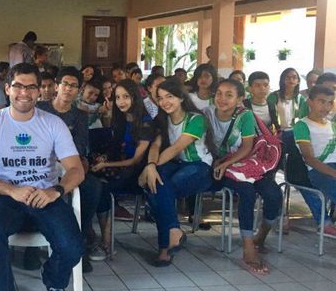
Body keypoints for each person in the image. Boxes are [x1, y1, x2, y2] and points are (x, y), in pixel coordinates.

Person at [0, 63, 85, 291]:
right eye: (18, 86)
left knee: (73, 246)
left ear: (39, 91)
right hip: (8, 198)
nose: (25, 92)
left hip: (47, 196)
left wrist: (56, 191)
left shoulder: (53, 123)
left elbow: (76, 169)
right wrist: (11, 190)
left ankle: (53, 280)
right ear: (7, 89)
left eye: (31, 86)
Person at [205, 79, 282, 274]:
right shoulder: (207, 114)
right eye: (219, 93)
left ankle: (261, 235)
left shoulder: (245, 115)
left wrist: (228, 162)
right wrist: (222, 164)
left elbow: (247, 147)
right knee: (247, 193)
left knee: (274, 195)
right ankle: (248, 246)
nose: (222, 99)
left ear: (240, 99)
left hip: (248, 163)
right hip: (220, 168)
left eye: (229, 95)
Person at [142, 78, 214, 266]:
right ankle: (173, 235)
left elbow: (175, 149)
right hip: (178, 165)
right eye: (160, 98)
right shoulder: (163, 120)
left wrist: (150, 169)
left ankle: (165, 247)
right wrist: (151, 166)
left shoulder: (196, 119)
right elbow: (155, 146)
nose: (164, 102)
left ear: (181, 97)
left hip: (200, 167)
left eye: (170, 97)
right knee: (157, 187)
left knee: (159, 191)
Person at [36, 66, 97, 272]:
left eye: (74, 86)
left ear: (79, 90)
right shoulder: (40, 108)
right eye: (65, 84)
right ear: (57, 85)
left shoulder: (80, 115)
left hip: (68, 162)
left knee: (91, 187)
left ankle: (81, 239)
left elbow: (80, 145)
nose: (68, 89)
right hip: (40, 163)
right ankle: (31, 246)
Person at [91, 79, 154, 256]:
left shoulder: (146, 122)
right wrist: (104, 158)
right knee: (91, 181)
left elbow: (135, 161)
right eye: (117, 97)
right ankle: (89, 234)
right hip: (118, 167)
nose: (121, 101)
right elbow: (115, 148)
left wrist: (106, 164)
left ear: (135, 97)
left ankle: (106, 240)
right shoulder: (121, 119)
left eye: (126, 96)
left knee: (101, 187)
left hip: (137, 173)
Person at [293, 85, 336, 237]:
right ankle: (325, 224)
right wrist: (333, 173)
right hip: (319, 171)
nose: (326, 107)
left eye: (330, 102)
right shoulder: (302, 125)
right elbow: (309, 158)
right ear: (310, 102)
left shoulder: (333, 125)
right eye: (321, 101)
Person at [268, 67, 307, 148]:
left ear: (298, 81)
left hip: (295, 133)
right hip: (278, 133)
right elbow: (269, 115)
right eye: (288, 77)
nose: (291, 80)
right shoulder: (274, 96)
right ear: (282, 80)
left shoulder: (300, 98)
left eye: (294, 77)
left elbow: (304, 117)